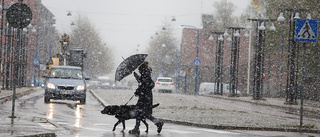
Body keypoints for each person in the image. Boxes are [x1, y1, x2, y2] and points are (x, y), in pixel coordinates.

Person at [129, 61, 164, 134]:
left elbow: (144, 85)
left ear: (141, 67)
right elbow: (143, 82)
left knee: (140, 112)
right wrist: (136, 76)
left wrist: (138, 91)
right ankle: (157, 123)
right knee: (145, 113)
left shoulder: (145, 73)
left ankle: (137, 128)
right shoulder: (145, 73)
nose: (138, 69)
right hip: (146, 96)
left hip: (144, 97)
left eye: (139, 67)